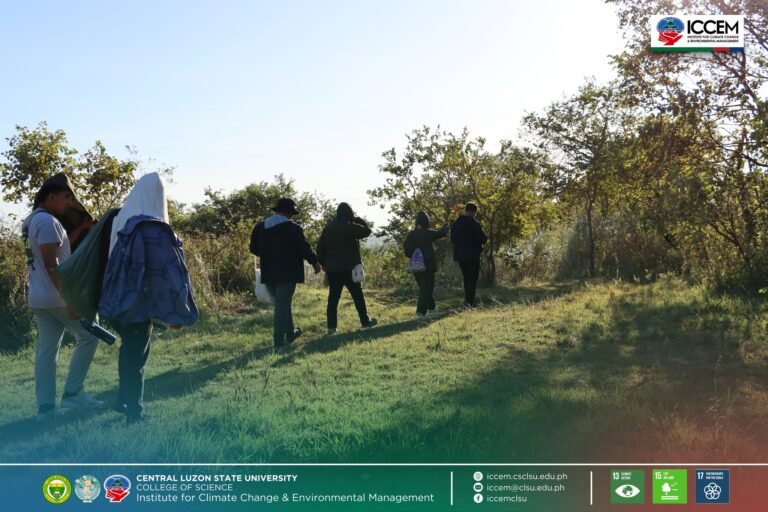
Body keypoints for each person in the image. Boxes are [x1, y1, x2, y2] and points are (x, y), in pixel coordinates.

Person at [99, 172, 198, 424]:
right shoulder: (152, 228)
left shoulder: (119, 218)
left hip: (114, 299)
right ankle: (135, 412)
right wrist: (175, 311)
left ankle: (122, 400)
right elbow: (163, 274)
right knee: (137, 359)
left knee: (128, 352)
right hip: (138, 304)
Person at [22, 173, 104, 422]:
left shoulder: (31, 221)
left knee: (47, 352)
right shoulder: (48, 221)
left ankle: (46, 409)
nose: (69, 203)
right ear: (51, 196)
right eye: (66, 198)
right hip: (57, 296)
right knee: (90, 335)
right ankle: (73, 394)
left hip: (38, 297)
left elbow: (59, 247)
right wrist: (70, 299)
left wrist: (81, 228)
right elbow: (52, 263)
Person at [249, 198, 322, 349]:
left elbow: (253, 249)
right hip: (288, 272)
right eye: (292, 213)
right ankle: (279, 341)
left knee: (282, 304)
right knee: (282, 306)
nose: (292, 216)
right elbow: (304, 249)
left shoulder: (260, 227)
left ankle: (290, 333)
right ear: (289, 212)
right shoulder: (293, 228)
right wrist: (315, 263)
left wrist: (268, 255)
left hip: (269, 272)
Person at [316, 202, 377, 335]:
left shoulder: (328, 228)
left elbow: (320, 249)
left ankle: (331, 328)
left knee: (333, 299)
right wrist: (358, 220)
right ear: (349, 213)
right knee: (358, 296)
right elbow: (367, 231)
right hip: (350, 269)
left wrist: (325, 265)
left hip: (333, 270)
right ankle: (365, 322)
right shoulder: (350, 227)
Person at [403, 211, 449, 318]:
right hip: (428, 265)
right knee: (426, 289)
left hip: (416, 265)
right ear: (426, 221)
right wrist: (446, 227)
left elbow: (406, 250)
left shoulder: (411, 234)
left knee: (424, 288)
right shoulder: (428, 233)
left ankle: (432, 308)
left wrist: (414, 256)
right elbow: (440, 233)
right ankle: (420, 313)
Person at [450, 202, 488, 308]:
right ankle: (469, 302)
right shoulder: (474, 224)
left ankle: (467, 300)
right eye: (475, 213)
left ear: (465, 210)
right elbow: (483, 239)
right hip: (473, 255)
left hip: (461, 256)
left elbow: (452, 240)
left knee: (466, 278)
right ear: (473, 212)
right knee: (472, 279)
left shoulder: (456, 224)